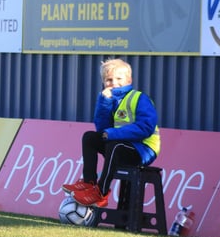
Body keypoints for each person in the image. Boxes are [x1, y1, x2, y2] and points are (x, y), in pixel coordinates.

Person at [62, 58, 161, 207]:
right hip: (120, 145)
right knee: (89, 137)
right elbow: (102, 130)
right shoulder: (108, 99)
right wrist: (104, 103)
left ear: (129, 79)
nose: (114, 83)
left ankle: (101, 193)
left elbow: (145, 128)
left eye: (119, 78)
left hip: (143, 149)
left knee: (114, 146)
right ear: (103, 82)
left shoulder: (139, 98)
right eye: (108, 80)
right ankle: (89, 183)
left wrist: (113, 134)